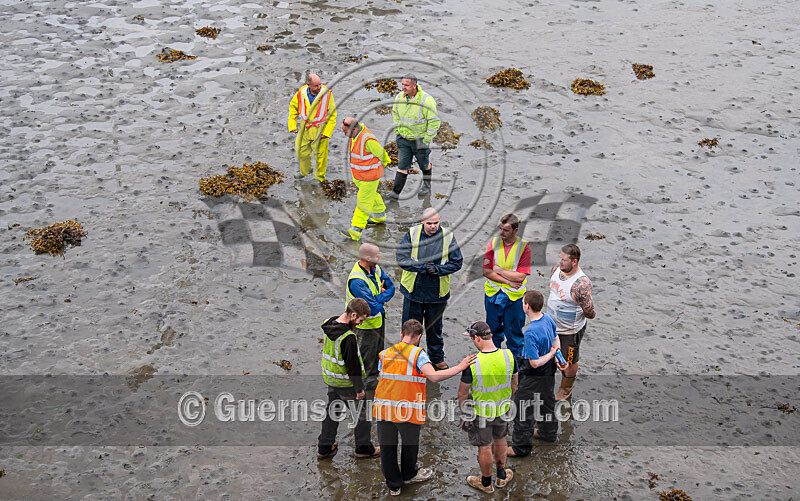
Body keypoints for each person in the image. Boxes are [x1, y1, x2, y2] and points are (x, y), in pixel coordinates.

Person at [373, 319, 476, 496]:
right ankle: (409, 474)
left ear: (401, 334)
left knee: (387, 447)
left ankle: (393, 485)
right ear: (419, 337)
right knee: (410, 443)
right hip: (406, 410)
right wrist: (460, 367)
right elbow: (434, 376)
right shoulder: (417, 354)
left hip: (383, 407)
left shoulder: (385, 353)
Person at [396, 208, 463, 370]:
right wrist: (423, 267)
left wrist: (438, 270)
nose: (433, 226)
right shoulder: (412, 234)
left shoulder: (448, 237)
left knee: (434, 328)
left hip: (437, 293)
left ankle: (436, 358)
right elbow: (401, 258)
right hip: (414, 291)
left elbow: (457, 262)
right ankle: (409, 358)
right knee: (410, 328)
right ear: (422, 222)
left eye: (436, 223)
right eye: (429, 223)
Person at [457, 321, 518, 493]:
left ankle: (485, 483)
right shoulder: (508, 356)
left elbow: (462, 393)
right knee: (500, 440)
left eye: (471, 338)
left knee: (484, 447)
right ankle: (501, 476)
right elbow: (515, 383)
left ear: (477, 338)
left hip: (481, 412)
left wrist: (465, 412)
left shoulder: (473, 362)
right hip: (503, 408)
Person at [318, 298, 380, 460]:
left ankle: (324, 448)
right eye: (360, 320)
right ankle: (363, 448)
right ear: (353, 315)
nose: (360, 323)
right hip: (346, 384)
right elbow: (353, 367)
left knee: (332, 413)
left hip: (331, 379)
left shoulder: (329, 323)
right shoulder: (348, 338)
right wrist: (359, 390)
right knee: (362, 416)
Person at [508, 291, 567, 457]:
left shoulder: (530, 332)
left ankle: (520, 448)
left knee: (523, 408)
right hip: (548, 371)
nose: (522, 305)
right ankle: (548, 433)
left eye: (523, 303)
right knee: (546, 401)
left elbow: (534, 362)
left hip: (534, 371)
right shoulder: (547, 318)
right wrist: (556, 354)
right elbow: (556, 338)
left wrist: (551, 354)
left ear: (527, 306)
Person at [548, 244, 595, 401]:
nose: (560, 262)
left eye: (564, 260)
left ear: (574, 261)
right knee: (549, 356)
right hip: (551, 326)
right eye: (560, 258)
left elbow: (590, 312)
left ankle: (566, 388)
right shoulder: (556, 270)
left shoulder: (581, 283)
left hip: (569, 330)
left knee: (569, 360)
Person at [482, 213, 532, 358]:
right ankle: (492, 362)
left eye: (506, 230)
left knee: (514, 336)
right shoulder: (493, 243)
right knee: (492, 334)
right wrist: (508, 281)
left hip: (514, 299)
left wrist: (498, 269)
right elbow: (486, 271)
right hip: (493, 295)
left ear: (515, 230)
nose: (501, 233)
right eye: (500, 229)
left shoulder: (524, 247)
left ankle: (515, 369)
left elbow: (521, 277)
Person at [346, 243, 395, 389]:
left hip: (378, 321)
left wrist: (378, 297)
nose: (380, 257)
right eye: (377, 255)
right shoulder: (357, 280)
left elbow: (392, 288)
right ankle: (367, 387)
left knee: (377, 353)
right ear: (368, 257)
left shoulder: (375, 268)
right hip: (365, 325)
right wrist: (380, 296)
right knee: (367, 356)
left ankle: (374, 380)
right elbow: (372, 309)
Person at [387, 75, 441, 199]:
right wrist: (397, 131)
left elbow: (434, 122)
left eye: (406, 85)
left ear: (414, 86)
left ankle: (427, 186)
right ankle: (395, 194)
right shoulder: (399, 97)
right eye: (402, 85)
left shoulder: (426, 100)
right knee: (402, 166)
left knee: (424, 164)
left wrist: (427, 139)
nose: (403, 88)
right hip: (403, 139)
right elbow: (395, 113)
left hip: (420, 140)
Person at [339, 117, 391, 241]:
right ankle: (379, 216)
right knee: (372, 195)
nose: (345, 134)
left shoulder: (368, 140)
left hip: (369, 177)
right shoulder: (356, 134)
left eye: (346, 132)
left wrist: (384, 164)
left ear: (354, 129)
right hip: (360, 176)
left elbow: (382, 154)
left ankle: (355, 231)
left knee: (363, 203)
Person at [287, 73, 337, 182]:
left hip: (320, 128)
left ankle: (319, 177)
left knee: (320, 154)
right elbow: (293, 109)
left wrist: (327, 132)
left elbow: (332, 115)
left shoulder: (327, 94)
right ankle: (305, 170)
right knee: (301, 150)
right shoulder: (301, 93)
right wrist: (292, 125)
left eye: (320, 84)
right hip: (305, 127)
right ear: (308, 84)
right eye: (316, 86)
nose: (319, 87)